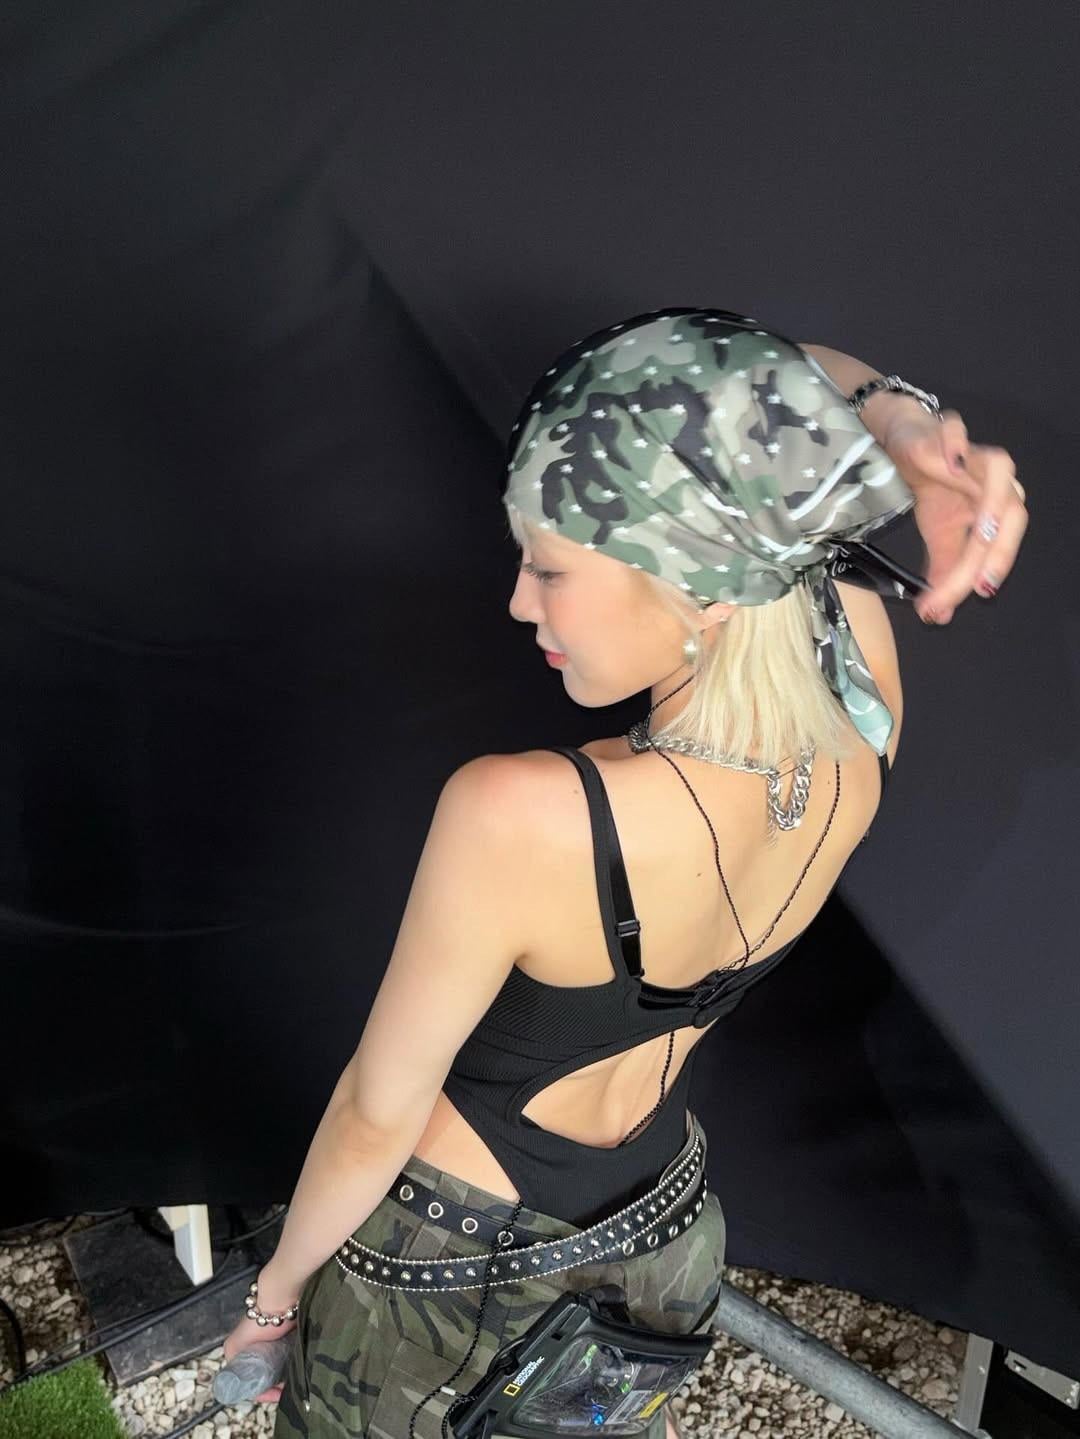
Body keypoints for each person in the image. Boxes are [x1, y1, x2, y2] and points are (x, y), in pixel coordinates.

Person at [224, 308, 1027, 1439]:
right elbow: (765, 388)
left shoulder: (526, 812)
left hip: (446, 1273)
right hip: (660, 1232)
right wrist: (902, 424)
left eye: (551, 568)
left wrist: (274, 1301)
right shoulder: (863, 712)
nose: (519, 601)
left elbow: (373, 1113)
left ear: (702, 584)